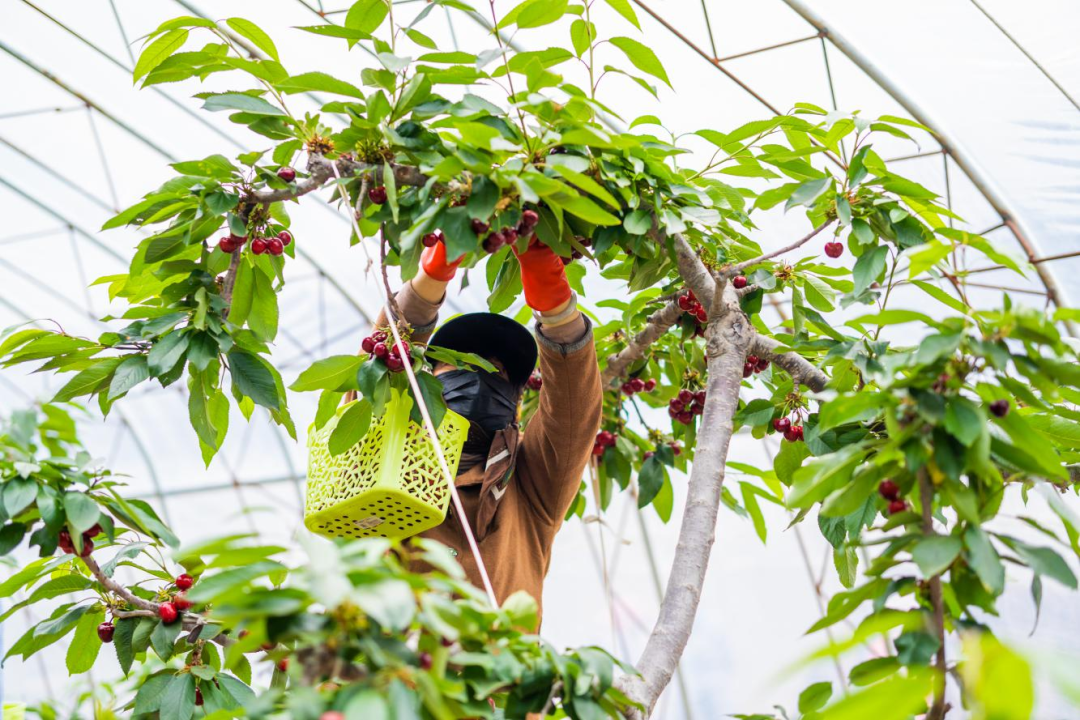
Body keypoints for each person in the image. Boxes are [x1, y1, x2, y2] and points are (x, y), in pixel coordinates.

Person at [362, 234, 602, 626]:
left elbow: (574, 413)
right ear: (426, 380)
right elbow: (377, 373)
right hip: (387, 679)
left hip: (496, 685)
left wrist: (556, 308)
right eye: (461, 362)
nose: (480, 376)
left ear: (515, 400)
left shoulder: (531, 486)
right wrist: (428, 281)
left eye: (498, 372)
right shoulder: (390, 460)